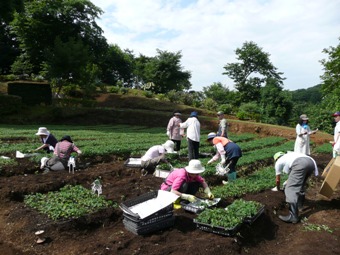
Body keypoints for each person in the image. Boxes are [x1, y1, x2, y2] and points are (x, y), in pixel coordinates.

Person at [272, 151, 318, 223]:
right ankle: (300, 206)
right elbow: (294, 174)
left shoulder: (279, 162)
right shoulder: (289, 156)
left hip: (300, 163)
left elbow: (278, 180)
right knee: (301, 185)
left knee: (290, 189)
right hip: (311, 162)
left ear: (276, 159)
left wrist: (278, 188)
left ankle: (293, 216)